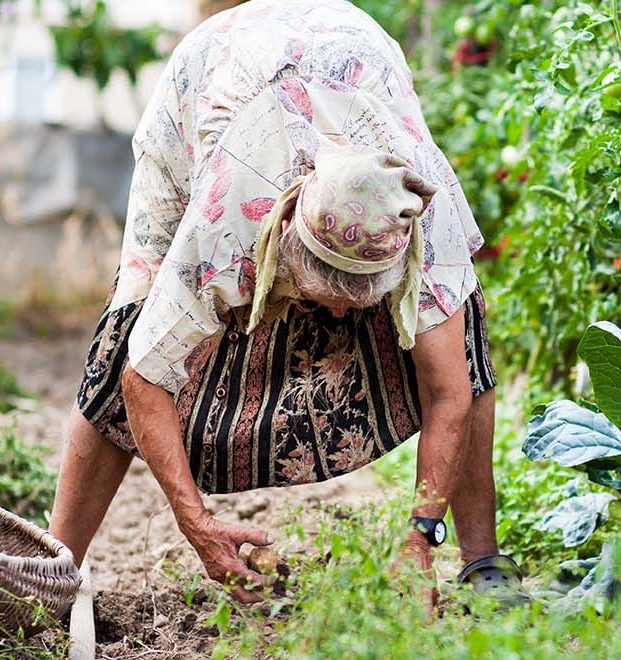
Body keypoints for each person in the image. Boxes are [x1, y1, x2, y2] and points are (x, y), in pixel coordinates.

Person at [48, 0, 522, 605]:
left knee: (464, 346)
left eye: (360, 304)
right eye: (328, 299)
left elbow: (449, 392)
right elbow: (144, 375)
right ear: (282, 245)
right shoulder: (226, 219)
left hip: (355, 57)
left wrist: (418, 540)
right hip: (212, 80)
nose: (345, 320)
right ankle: (55, 567)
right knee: (127, 332)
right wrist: (196, 523)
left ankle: (482, 561)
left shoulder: (426, 219)